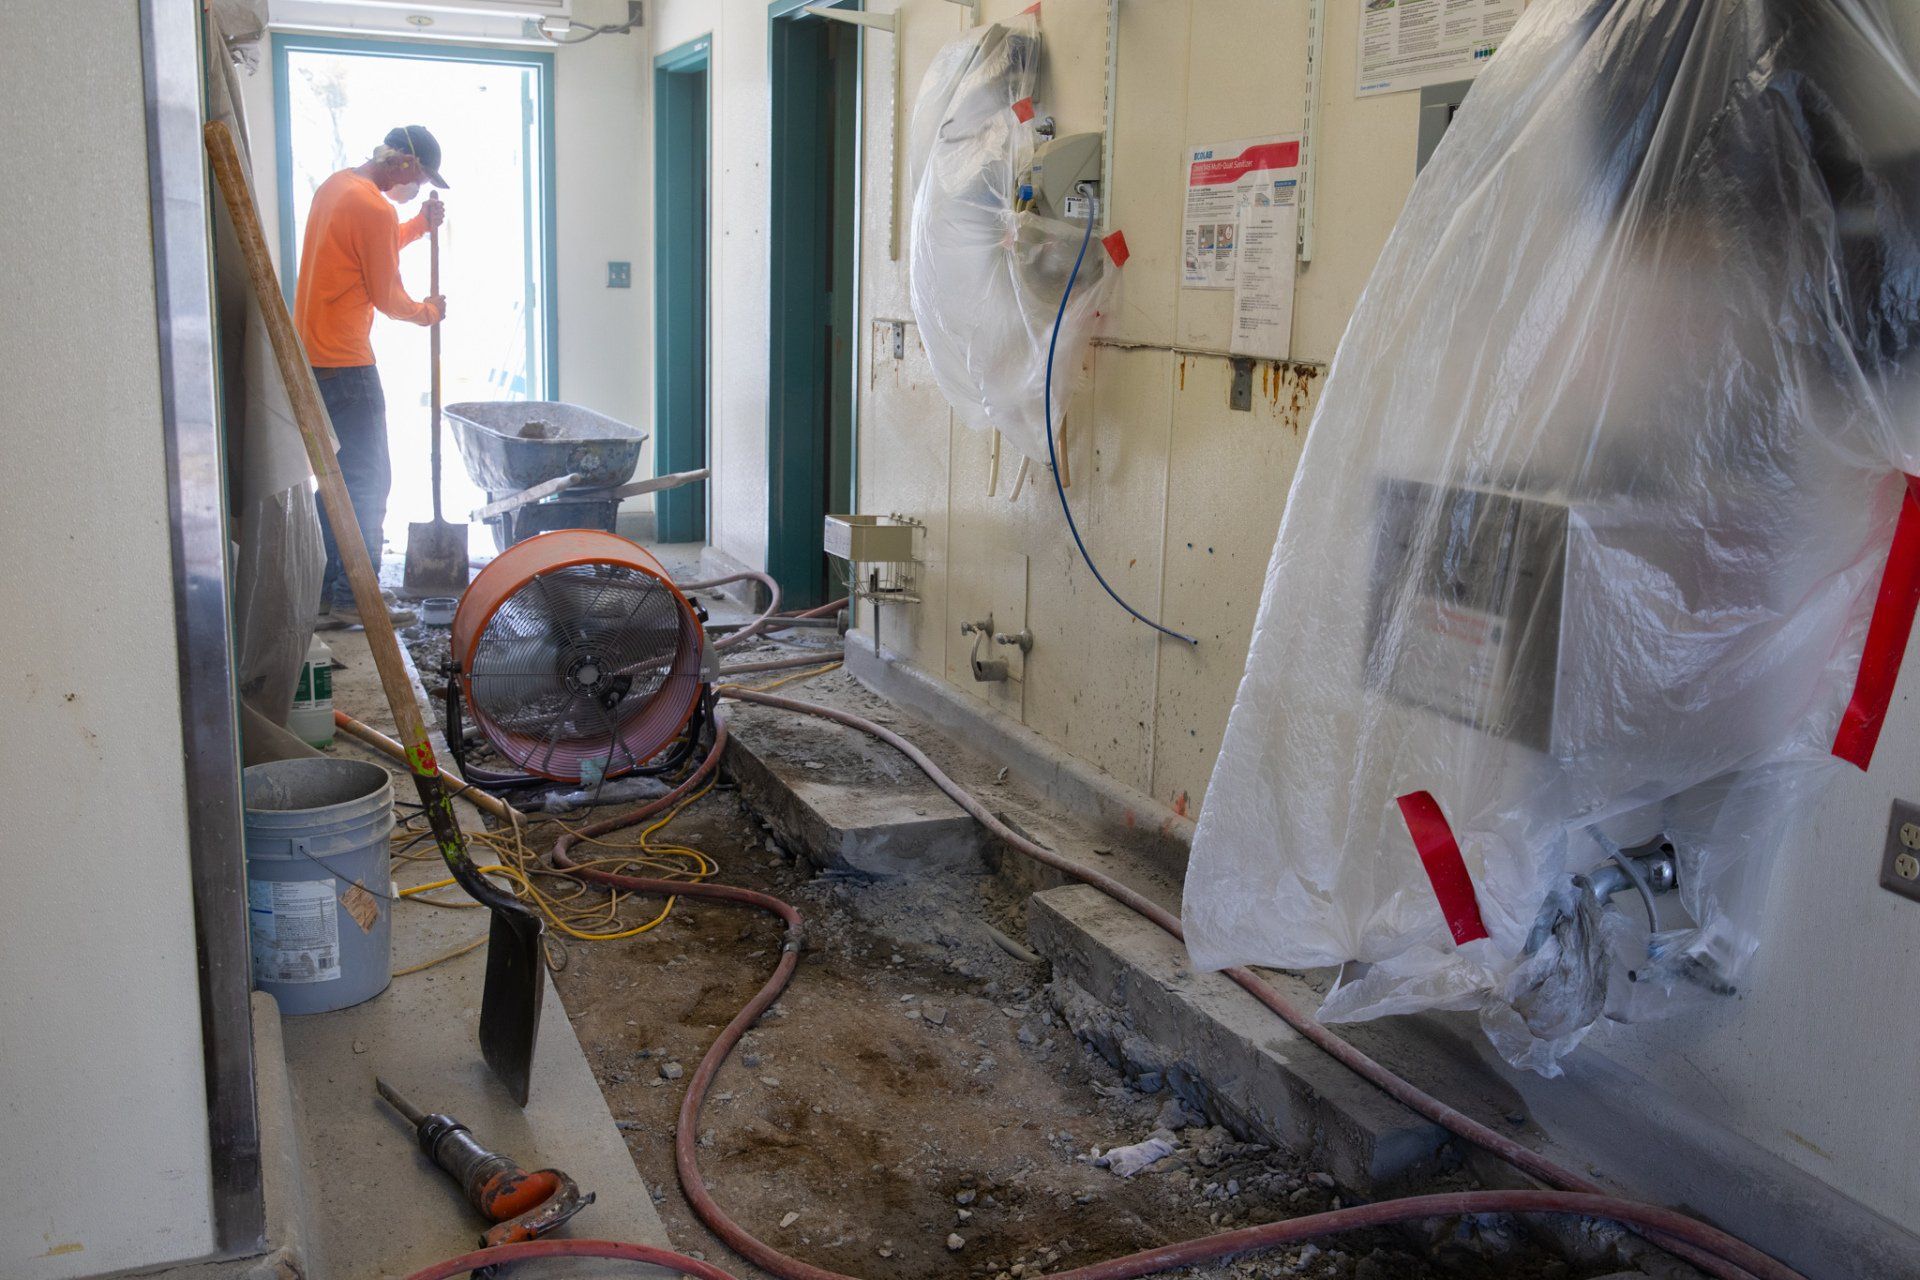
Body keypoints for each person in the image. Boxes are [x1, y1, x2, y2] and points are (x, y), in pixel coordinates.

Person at [294, 125, 449, 627]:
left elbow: (366, 254)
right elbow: (387, 296)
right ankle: (355, 600)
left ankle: (328, 594)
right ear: (403, 161)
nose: (419, 188)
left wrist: (419, 226)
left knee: (335, 483)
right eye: (421, 177)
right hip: (346, 366)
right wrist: (426, 311)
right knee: (368, 483)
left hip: (312, 360)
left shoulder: (337, 187)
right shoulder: (375, 207)